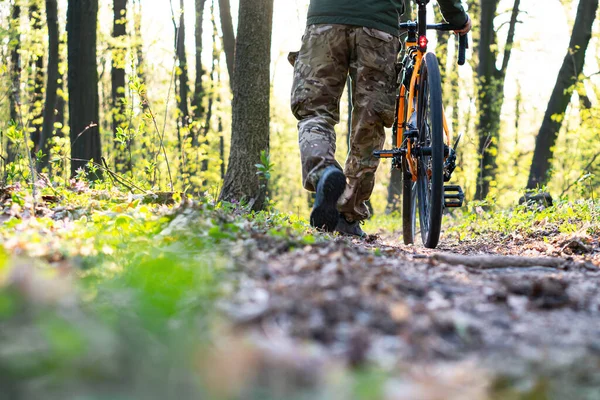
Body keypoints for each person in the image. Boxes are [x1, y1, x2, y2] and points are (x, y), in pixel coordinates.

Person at [291, 0, 471, 237]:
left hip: (325, 21)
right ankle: (348, 213)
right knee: (370, 121)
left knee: (315, 111)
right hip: (378, 28)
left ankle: (323, 171)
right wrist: (457, 17)